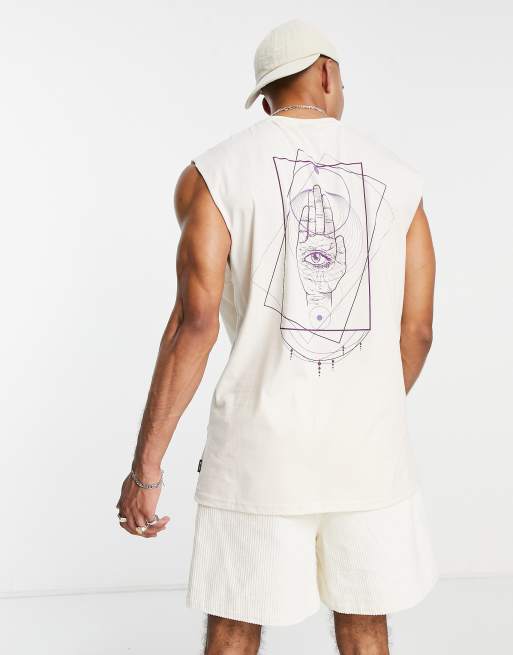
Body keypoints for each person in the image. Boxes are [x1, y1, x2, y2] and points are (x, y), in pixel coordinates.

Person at [116, 19, 438, 655]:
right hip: (368, 452)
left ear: (266, 99)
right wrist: (367, 405)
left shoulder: (213, 175)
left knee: (236, 625)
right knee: (365, 624)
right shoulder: (402, 182)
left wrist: (146, 468)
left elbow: (193, 324)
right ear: (327, 74)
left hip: (258, 449)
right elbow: (419, 331)